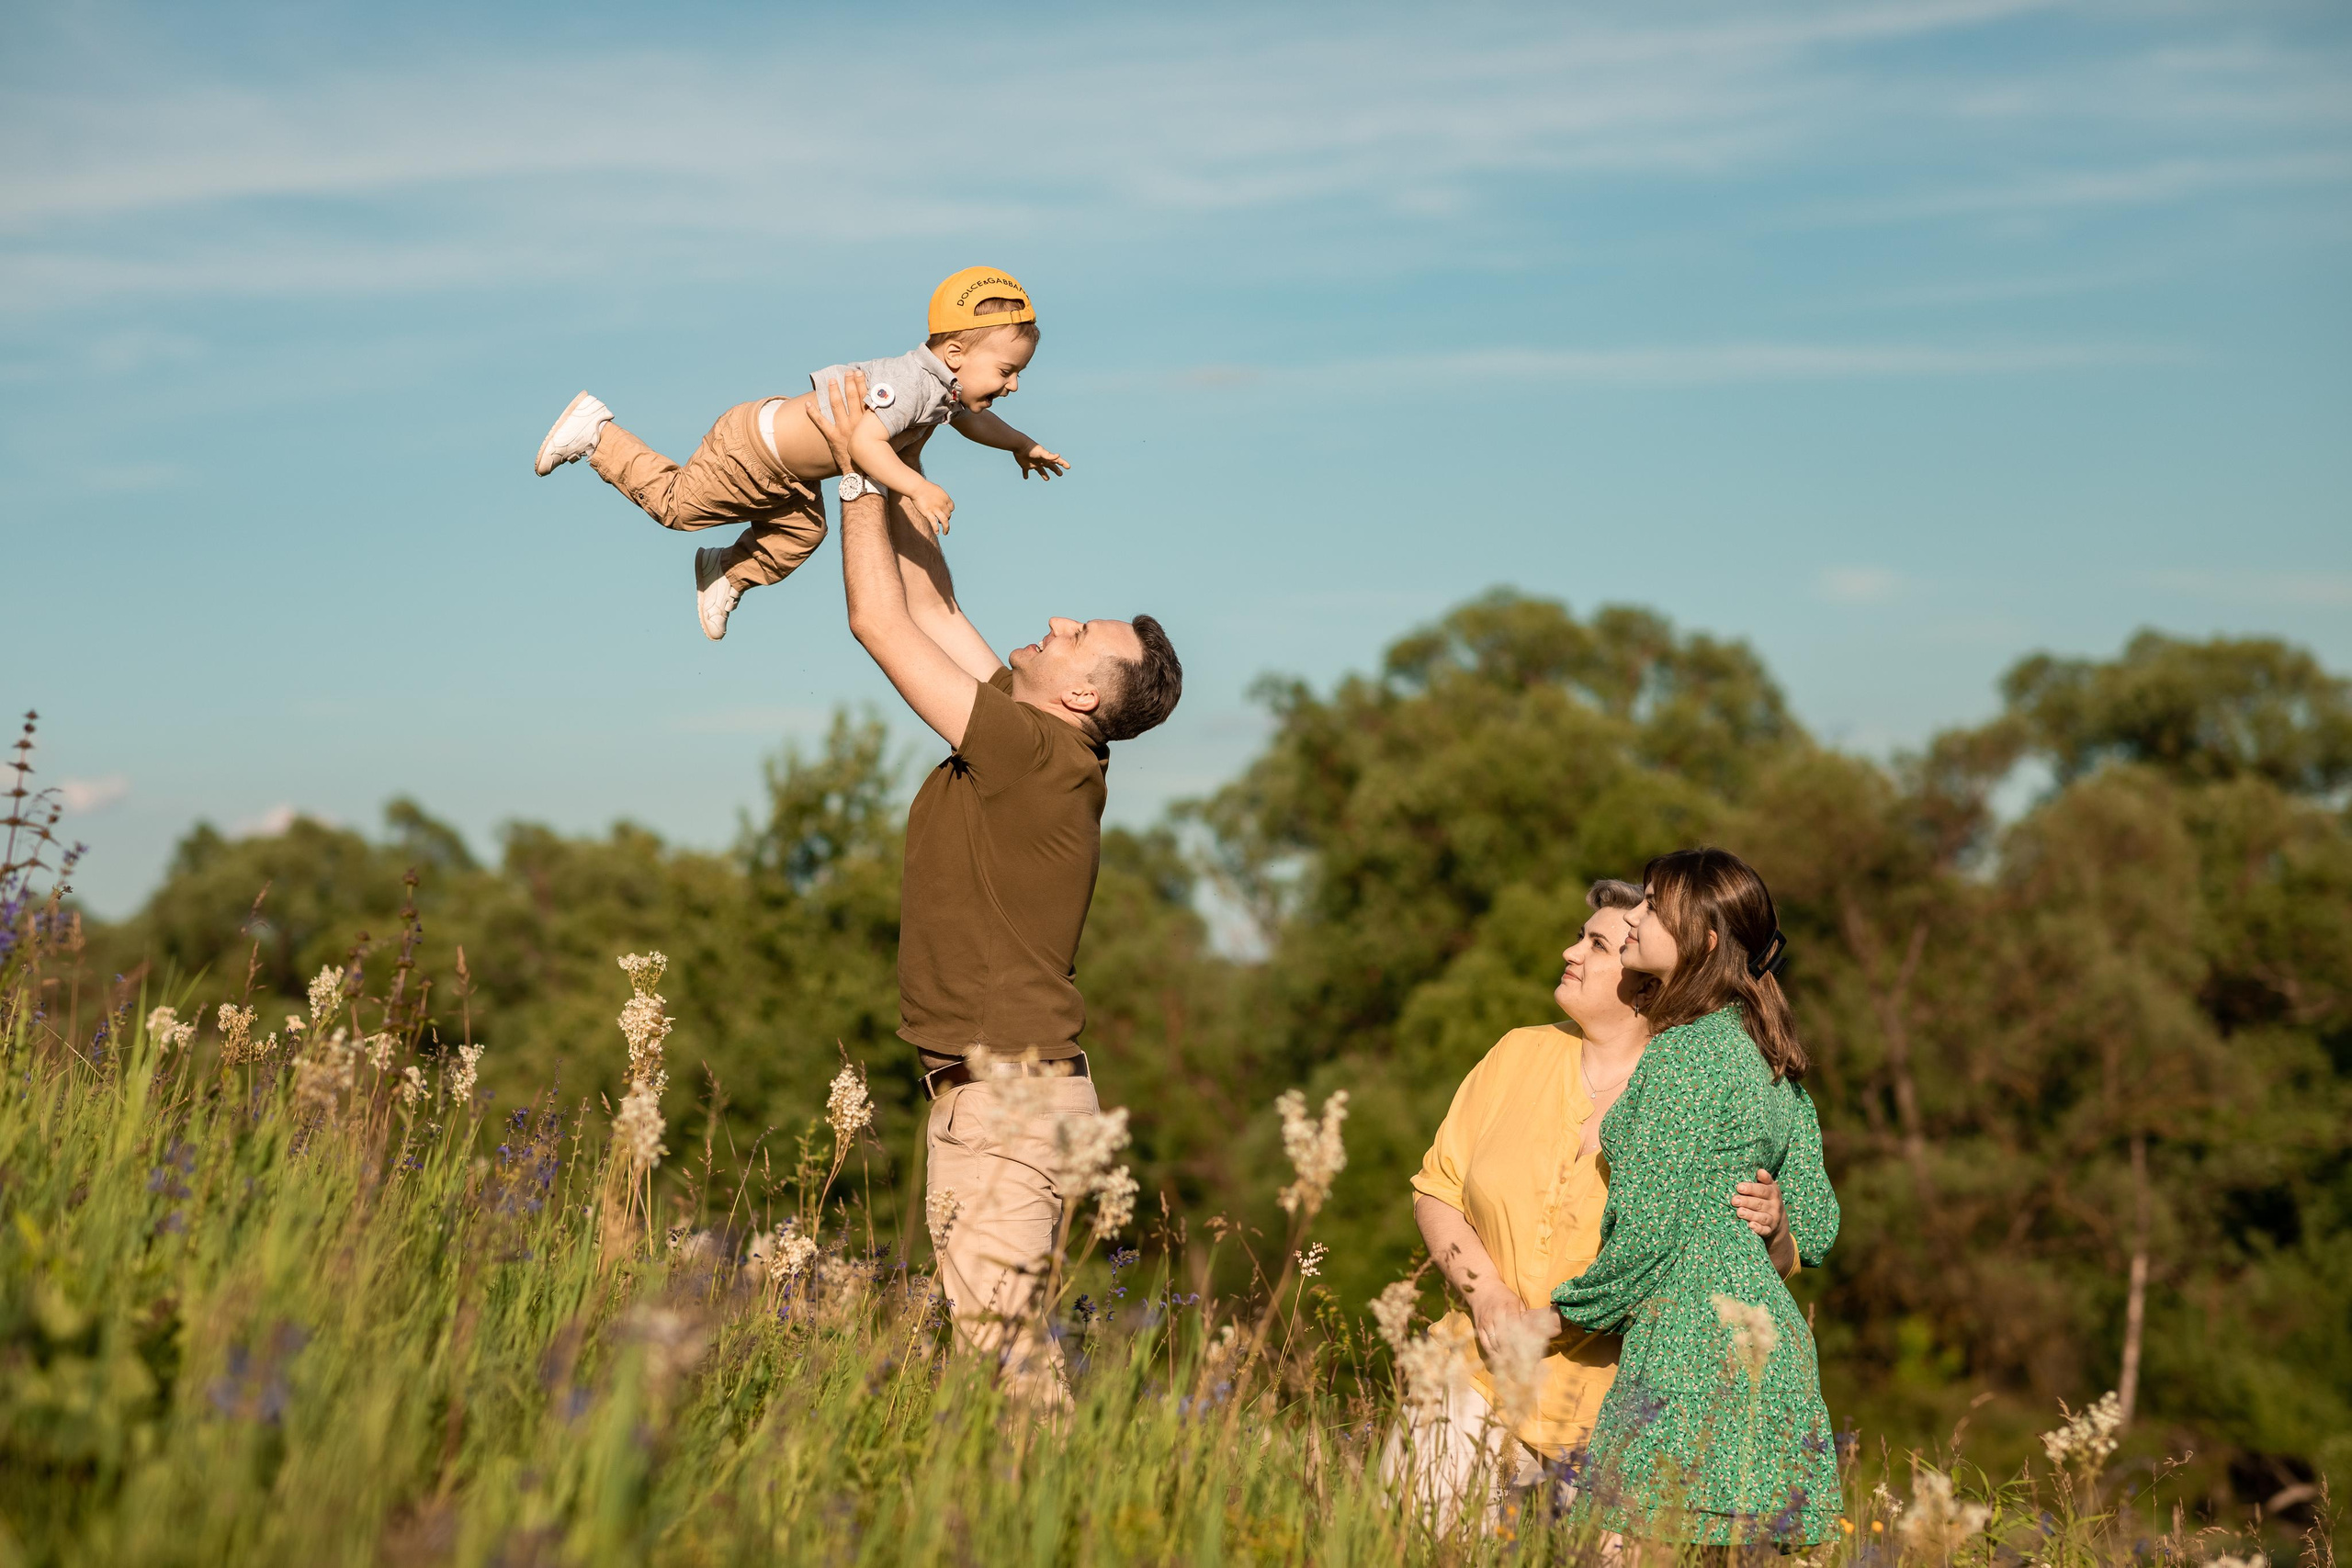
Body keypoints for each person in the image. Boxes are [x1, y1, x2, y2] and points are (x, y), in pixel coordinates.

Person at [805, 368, 1180, 1401]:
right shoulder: (1040, 744)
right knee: (996, 1364)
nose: (1057, 620)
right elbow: (931, 599)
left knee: (1006, 1378)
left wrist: (851, 475)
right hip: (1004, 1099)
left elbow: (879, 624)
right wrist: (903, 452)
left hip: (1006, 1103)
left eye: (1079, 639)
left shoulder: (1032, 754)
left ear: (1077, 694)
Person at [1392, 879, 1808, 1525]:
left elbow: (1751, 1267)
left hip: (1619, 1411)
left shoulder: (1698, 1085)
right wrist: (1488, 1295)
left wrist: (1776, 1228)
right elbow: (1437, 1189)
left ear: (1647, 983)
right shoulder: (1517, 1053)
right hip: (1473, 1373)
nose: (1570, 951)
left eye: (1596, 943)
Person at [1546, 847, 1841, 1551]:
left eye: (1652, 905)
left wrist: (1560, 1316)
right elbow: (1821, 1225)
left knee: (1618, 1551)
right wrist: (1774, 1226)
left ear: (1704, 939)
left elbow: (1648, 1232)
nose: (1635, 917)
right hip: (1771, 1356)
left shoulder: (1683, 1054)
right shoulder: (1767, 1050)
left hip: (1686, 1357)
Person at [531, 266, 1069, 640]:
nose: (1014, 385)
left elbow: (973, 419)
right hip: (751, 451)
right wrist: (918, 486)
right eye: (1006, 371)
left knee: (803, 533)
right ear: (955, 353)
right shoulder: (908, 385)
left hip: (791, 475)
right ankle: (597, 434)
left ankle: (725, 572)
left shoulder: (941, 390)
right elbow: (863, 442)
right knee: (678, 508)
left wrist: (1020, 444)